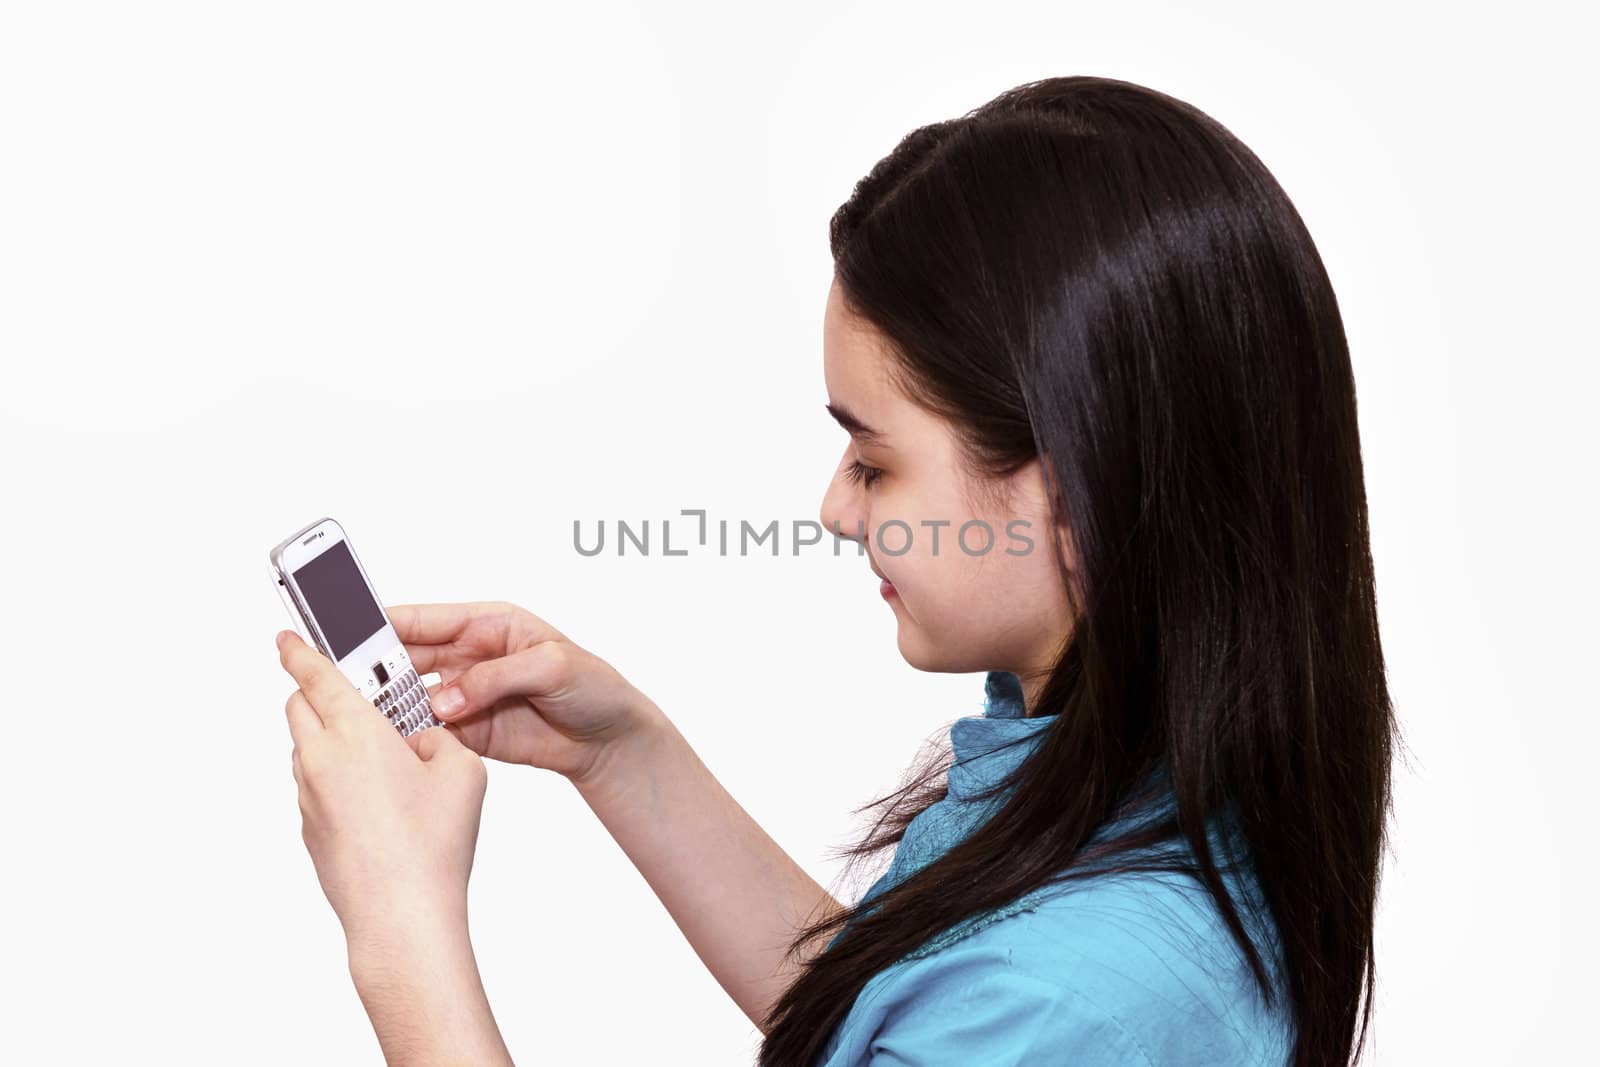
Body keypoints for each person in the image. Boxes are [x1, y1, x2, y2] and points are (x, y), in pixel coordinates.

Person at [274, 74, 1395, 1066]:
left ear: (1075, 492)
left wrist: (401, 939)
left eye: (873, 459)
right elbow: (898, 1016)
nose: (834, 506)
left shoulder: (1076, 1005)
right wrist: (622, 755)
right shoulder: (1127, 781)